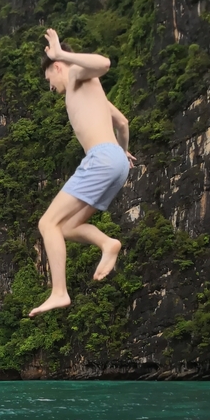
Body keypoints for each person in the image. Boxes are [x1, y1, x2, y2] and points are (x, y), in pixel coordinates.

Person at [29, 28, 135, 318]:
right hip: (116, 162)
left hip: (101, 158)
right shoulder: (92, 94)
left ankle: (59, 292)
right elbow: (123, 123)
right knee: (66, 228)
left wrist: (61, 52)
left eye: (48, 77)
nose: (49, 85)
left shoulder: (75, 73)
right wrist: (122, 152)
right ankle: (107, 243)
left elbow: (104, 64)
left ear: (57, 67)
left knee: (47, 223)